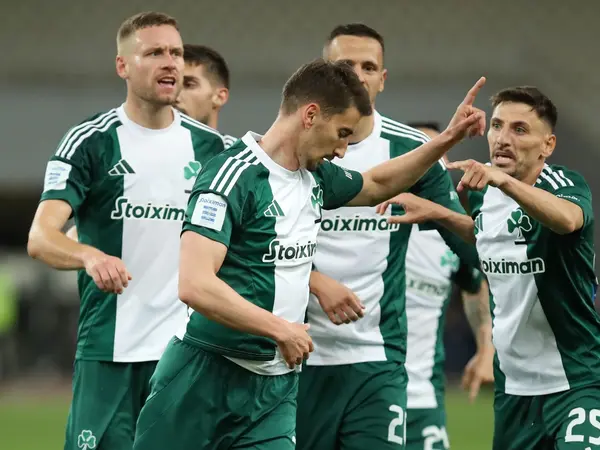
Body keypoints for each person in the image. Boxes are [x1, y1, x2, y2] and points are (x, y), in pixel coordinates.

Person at [131, 59, 486, 450]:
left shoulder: (314, 176)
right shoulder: (231, 177)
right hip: (204, 376)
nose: (342, 150)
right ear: (311, 115)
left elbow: (376, 183)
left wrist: (445, 140)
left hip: (273, 387)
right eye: (342, 134)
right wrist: (280, 328)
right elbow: (195, 284)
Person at [26, 12, 224, 450]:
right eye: (154, 53)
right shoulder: (90, 141)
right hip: (108, 351)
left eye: (176, 53)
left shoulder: (212, 149)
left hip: (183, 353)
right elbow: (40, 238)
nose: (169, 62)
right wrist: (89, 255)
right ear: (123, 65)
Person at [378, 86, 600, 449]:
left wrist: (506, 182)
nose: (503, 138)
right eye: (497, 126)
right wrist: (438, 213)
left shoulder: (563, 184)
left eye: (520, 129)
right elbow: (486, 238)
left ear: (547, 145)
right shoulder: (483, 194)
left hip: (575, 381)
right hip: (513, 390)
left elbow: (568, 220)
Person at [296, 24, 481, 450]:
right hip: (300, 352)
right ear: (323, 73)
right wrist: (314, 280)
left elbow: (471, 249)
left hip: (377, 357)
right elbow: (258, 246)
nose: (358, 76)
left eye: (369, 67)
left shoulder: (412, 151)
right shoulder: (295, 150)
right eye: (346, 65)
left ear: (383, 79)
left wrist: (446, 211)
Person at [401, 122, 494, 450]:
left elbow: (475, 285)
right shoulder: (365, 223)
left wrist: (485, 348)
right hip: (362, 391)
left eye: (439, 153)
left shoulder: (451, 237)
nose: (430, 162)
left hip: (423, 398)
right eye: (422, 151)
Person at [176, 44, 237, 148]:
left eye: (188, 85)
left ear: (219, 97)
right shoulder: (148, 151)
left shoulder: (237, 153)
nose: (175, 95)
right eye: (172, 84)